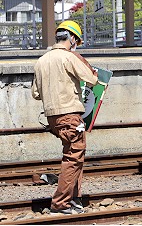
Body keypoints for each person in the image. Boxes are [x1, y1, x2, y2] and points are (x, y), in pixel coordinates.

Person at [31, 20, 98, 215]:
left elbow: (36, 93)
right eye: (77, 40)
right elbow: (92, 79)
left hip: (52, 118)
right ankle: (60, 204)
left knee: (74, 155)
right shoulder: (69, 57)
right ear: (73, 38)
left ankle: (74, 198)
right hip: (70, 115)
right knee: (73, 157)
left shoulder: (42, 60)